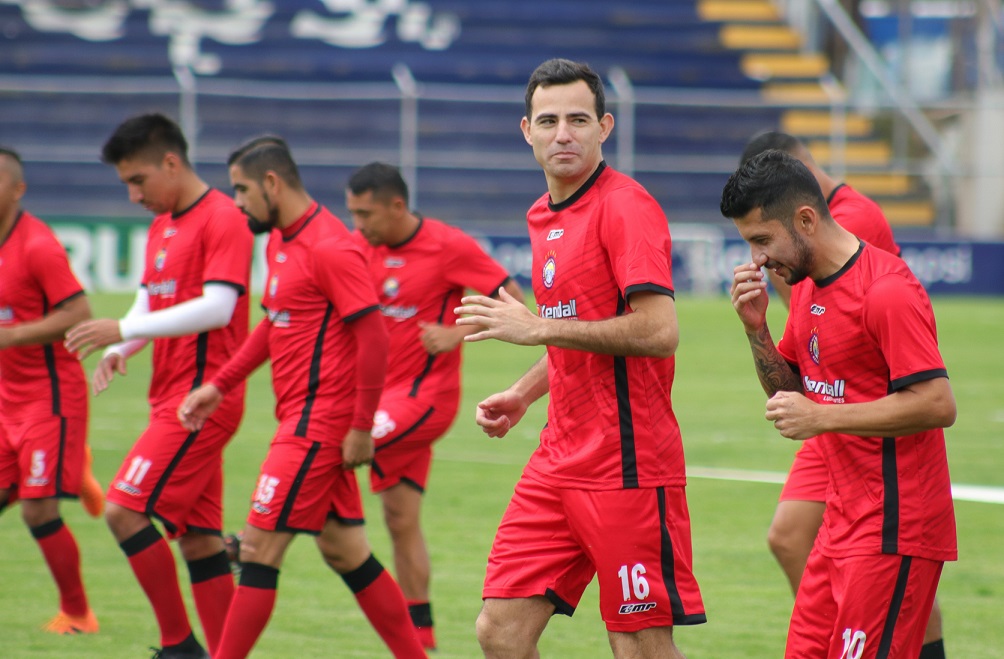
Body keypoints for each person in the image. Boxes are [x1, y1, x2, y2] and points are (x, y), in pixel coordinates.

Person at [454, 58, 705, 659]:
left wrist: (536, 327)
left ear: (604, 127)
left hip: (627, 465)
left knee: (639, 642)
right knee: (500, 631)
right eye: (548, 120)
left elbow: (657, 330)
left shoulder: (627, 208)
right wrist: (523, 391)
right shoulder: (544, 214)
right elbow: (575, 329)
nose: (562, 132)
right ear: (527, 131)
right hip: (557, 459)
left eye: (577, 119)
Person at [177, 139, 426, 659]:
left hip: (319, 423)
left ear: (272, 184)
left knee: (258, 548)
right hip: (300, 417)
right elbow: (274, 322)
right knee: (345, 550)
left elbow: (374, 335)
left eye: (241, 189)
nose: (237, 202)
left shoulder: (330, 246)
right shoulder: (278, 241)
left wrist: (360, 426)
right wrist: (218, 384)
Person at [721, 149, 957, 658]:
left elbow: (938, 404)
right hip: (840, 523)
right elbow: (788, 392)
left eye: (762, 240)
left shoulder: (886, 290)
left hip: (894, 529)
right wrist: (756, 328)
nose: (757, 258)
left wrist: (823, 417)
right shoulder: (807, 289)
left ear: (805, 219)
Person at [64, 113, 254, 658]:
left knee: (124, 509)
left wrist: (122, 329)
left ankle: (179, 647)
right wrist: (123, 349)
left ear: (171, 162)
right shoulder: (161, 225)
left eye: (138, 180)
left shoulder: (223, 218)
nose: (132, 195)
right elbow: (154, 297)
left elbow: (219, 308)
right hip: (169, 396)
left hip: (202, 400)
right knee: (197, 539)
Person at [344, 161, 524, 650]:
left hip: (425, 401)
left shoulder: (448, 245)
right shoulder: (361, 246)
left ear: (396, 206)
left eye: (366, 215)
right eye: (352, 215)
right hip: (380, 400)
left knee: (329, 450)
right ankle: (421, 638)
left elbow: (516, 301)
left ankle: (251, 541)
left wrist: (457, 332)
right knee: (400, 521)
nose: (358, 226)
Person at [0, 147, 100, 635]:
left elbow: (79, 314)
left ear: (18, 190)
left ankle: (79, 614)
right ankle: (76, 466)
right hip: (5, 400)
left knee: (39, 510)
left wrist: (14, 335)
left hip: (50, 397)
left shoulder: (38, 246)